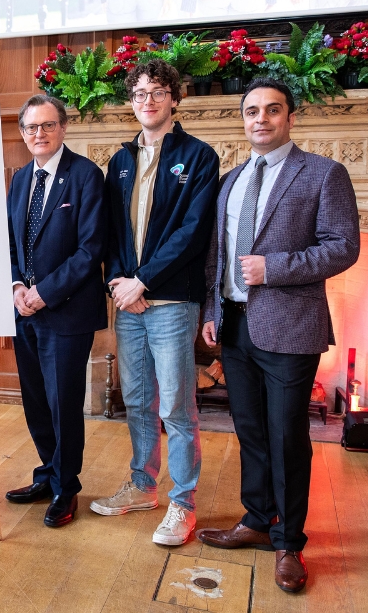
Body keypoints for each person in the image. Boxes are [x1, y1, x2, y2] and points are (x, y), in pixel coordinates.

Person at [197, 78, 360, 593]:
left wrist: (277, 267)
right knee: (250, 430)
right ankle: (256, 521)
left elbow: (343, 247)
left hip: (291, 327)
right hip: (235, 324)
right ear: (243, 119)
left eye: (272, 110)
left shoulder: (323, 174)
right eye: (251, 111)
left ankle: (289, 542)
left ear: (290, 117)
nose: (260, 119)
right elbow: (216, 256)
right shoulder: (230, 179)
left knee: (287, 437)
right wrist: (210, 309)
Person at [90, 60, 219, 547]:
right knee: (139, 401)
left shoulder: (199, 157)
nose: (148, 100)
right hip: (129, 302)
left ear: (174, 99)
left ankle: (182, 504)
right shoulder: (120, 161)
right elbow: (111, 233)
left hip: (170, 302)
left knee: (177, 409)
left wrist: (142, 281)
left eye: (158, 91)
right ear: (132, 102)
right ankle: (143, 486)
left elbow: (192, 233)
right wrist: (120, 285)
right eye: (140, 92)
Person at [4, 94, 107, 528]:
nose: (38, 134)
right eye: (31, 127)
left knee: (63, 403)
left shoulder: (85, 176)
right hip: (22, 311)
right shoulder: (19, 179)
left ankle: (67, 486)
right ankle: (48, 472)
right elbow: (8, 242)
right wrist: (15, 286)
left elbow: (91, 250)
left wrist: (43, 292)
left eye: (47, 126)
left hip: (65, 311)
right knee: (35, 402)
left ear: (63, 128)